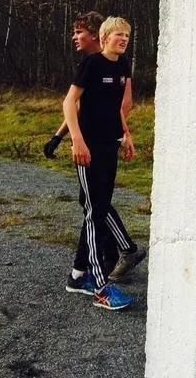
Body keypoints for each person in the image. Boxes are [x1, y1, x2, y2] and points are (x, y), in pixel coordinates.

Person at [61, 16, 143, 310]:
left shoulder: (121, 66)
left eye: (127, 36)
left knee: (99, 206)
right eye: (119, 35)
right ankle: (100, 287)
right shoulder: (91, 64)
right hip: (89, 148)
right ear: (105, 37)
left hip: (110, 146)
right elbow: (69, 103)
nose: (124, 40)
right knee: (94, 213)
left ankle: (77, 276)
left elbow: (116, 107)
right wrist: (77, 140)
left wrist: (126, 135)